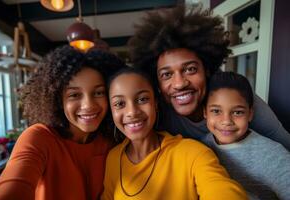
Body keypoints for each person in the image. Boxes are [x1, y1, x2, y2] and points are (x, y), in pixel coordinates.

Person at [128, 5, 290, 150]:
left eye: (190, 69)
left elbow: (285, 145)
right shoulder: (157, 114)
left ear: (207, 69)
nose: (179, 84)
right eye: (166, 74)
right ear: (157, 81)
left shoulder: (236, 98)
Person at [0, 45, 125, 200]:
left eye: (99, 92)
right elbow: (13, 187)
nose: (88, 105)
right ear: (58, 100)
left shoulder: (111, 139)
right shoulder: (39, 138)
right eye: (74, 95)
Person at [101, 68, 247, 200]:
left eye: (142, 99)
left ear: (156, 103)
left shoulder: (192, 153)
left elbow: (221, 189)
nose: (132, 112)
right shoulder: (113, 158)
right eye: (119, 104)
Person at [202, 72, 290, 200]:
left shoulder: (273, 155)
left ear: (250, 114)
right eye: (216, 111)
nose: (226, 121)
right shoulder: (201, 146)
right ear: (205, 112)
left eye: (238, 112)